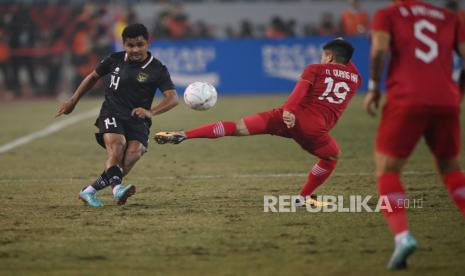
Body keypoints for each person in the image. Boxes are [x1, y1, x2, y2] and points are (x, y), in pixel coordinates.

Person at [155, 39, 361, 207]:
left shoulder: (315, 69)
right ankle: (304, 196)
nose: (321, 59)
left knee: (236, 128)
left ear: (330, 56)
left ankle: (185, 134)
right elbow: (345, 62)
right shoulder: (356, 78)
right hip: (313, 130)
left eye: (324, 55)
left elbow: (300, 91)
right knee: (332, 156)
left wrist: (288, 110)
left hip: (285, 116)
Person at [364, 0, 465, 270]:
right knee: (450, 168)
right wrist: (458, 92)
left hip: (406, 99)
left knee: (388, 169)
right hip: (446, 99)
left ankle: (402, 236)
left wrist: (374, 87)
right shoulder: (448, 17)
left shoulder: (387, 14)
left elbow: (379, 51)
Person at [56, 23, 179, 207]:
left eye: (140, 44)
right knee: (117, 146)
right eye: (130, 45)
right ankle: (117, 189)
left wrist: (150, 112)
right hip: (112, 111)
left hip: (138, 120)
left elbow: (173, 98)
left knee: (132, 155)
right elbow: (92, 77)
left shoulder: (157, 69)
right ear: (123, 44)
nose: (135, 49)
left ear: (148, 43)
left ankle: (89, 191)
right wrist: (73, 100)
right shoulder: (114, 59)